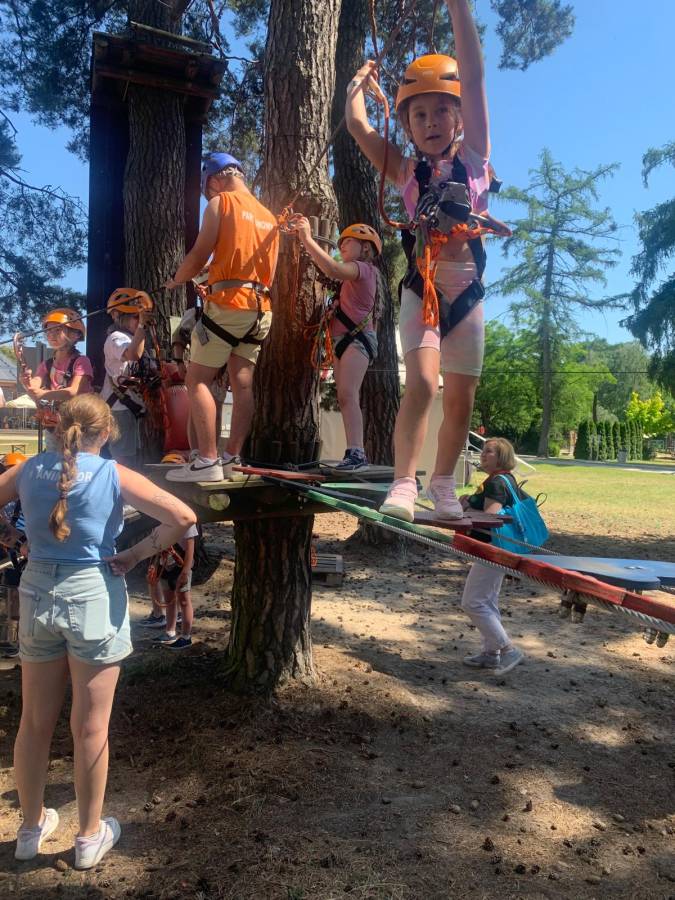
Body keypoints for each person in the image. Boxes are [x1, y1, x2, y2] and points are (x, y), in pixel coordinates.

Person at [0, 394, 196, 868]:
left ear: (56, 428)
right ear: (106, 433)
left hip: (36, 594)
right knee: (91, 727)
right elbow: (183, 517)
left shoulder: (27, 470)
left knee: (34, 722)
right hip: (92, 595)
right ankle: (88, 838)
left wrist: (11, 535)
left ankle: (29, 830)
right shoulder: (113, 473)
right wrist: (135, 555)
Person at [346, 0, 494, 521]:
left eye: (441, 111)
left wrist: (458, 8)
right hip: (423, 289)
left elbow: (473, 75)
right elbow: (359, 129)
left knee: (461, 397)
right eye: (419, 114)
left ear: (460, 116)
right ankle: (404, 483)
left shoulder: (475, 158)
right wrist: (356, 89)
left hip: (468, 292)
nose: (431, 122)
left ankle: (444, 484)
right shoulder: (407, 171)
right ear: (407, 124)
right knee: (425, 384)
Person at [164, 152, 279, 483]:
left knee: (196, 380)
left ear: (215, 179)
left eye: (209, 188)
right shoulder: (268, 215)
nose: (209, 195)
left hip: (229, 305)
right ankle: (231, 459)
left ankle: (207, 460)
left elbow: (199, 253)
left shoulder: (221, 204)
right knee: (242, 384)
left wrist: (176, 279)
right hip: (260, 310)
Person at [290, 219, 383, 469]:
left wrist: (307, 238)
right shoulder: (350, 278)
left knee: (348, 394)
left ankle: (357, 453)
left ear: (365, 248)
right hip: (345, 339)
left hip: (357, 339)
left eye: (348, 241)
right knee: (344, 396)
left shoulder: (363, 269)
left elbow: (332, 269)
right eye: (341, 242)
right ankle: (354, 450)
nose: (342, 245)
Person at [459, 437, 525, 676]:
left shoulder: (497, 482)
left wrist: (466, 507)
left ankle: (508, 649)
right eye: (483, 450)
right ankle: (490, 653)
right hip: (501, 548)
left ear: (501, 457)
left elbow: (490, 518)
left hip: (493, 549)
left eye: (489, 452)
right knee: (487, 600)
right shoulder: (505, 479)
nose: (483, 454)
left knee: (473, 602)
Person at [21, 308, 94, 451]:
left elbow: (73, 391)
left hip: (79, 424)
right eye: (48, 331)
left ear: (75, 335)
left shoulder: (81, 361)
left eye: (57, 330)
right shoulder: (47, 364)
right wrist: (27, 381)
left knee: (78, 460)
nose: (51, 335)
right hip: (54, 425)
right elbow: (34, 386)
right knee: (54, 460)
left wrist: (43, 394)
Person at [101, 289, 154, 469]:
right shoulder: (115, 338)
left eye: (140, 318)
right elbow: (132, 354)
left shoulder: (136, 338)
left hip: (133, 409)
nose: (139, 321)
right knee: (123, 461)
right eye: (135, 317)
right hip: (120, 408)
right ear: (117, 316)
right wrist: (142, 326)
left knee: (133, 459)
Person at [147, 523, 197, 649]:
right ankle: (170, 632)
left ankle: (186, 637)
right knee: (169, 599)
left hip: (181, 565)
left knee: (184, 600)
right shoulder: (160, 519)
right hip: (164, 564)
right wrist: (154, 564)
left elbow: (190, 548)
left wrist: (185, 572)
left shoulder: (186, 521)